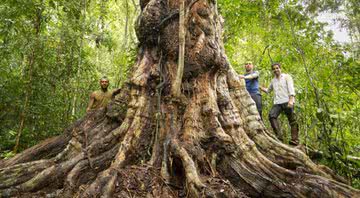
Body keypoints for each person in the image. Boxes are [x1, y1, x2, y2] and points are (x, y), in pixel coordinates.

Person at [261, 63, 299, 145]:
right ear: (272, 71)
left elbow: (291, 88)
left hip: (287, 101)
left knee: (292, 120)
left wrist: (291, 99)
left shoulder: (286, 77)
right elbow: (268, 90)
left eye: (277, 68)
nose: (276, 70)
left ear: (280, 68)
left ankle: (294, 140)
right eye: (274, 69)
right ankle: (279, 137)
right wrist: (260, 87)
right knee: (272, 116)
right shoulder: (273, 80)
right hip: (278, 102)